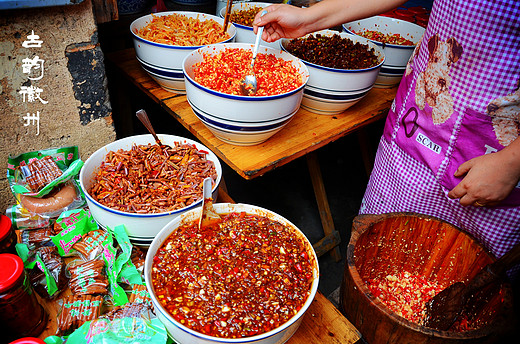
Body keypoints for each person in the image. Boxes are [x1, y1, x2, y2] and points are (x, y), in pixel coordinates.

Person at [254, 0, 520, 272]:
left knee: (458, 273)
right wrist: (308, 19)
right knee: (374, 250)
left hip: (493, 147)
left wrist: (512, 163)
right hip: (415, 118)